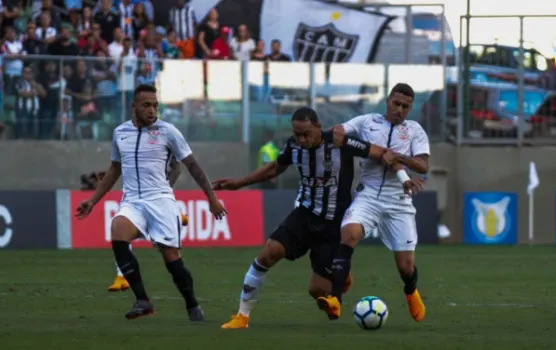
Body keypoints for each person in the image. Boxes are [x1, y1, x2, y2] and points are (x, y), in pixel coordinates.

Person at [214, 107, 423, 329]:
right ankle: (242, 316)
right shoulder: (293, 146)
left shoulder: (341, 143)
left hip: (334, 224)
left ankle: (341, 279)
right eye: (297, 134)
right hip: (304, 214)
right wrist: (239, 183)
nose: (302, 140)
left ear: (318, 127)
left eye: (306, 134)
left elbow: (382, 153)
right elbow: (276, 167)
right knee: (268, 253)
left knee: (316, 290)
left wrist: (403, 177)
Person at [75, 84, 227, 321]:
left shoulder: (168, 131)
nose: (152, 110)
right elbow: (114, 169)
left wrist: (212, 198)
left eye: (155, 105)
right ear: (133, 106)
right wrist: (92, 201)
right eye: (146, 105)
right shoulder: (120, 133)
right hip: (133, 200)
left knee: (172, 262)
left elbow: (192, 165)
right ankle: (143, 300)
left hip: (161, 200)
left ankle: (192, 305)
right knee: (117, 232)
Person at [317, 83, 430, 323]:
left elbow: (423, 165)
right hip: (367, 196)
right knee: (348, 234)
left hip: (399, 200)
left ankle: (410, 291)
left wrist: (397, 157)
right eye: (396, 103)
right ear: (387, 100)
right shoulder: (367, 121)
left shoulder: (415, 131)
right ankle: (335, 299)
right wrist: (335, 132)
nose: (399, 109)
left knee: (406, 267)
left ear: (410, 109)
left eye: (405, 106)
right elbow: (339, 131)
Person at [107, 159, 188, 292]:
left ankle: (178, 217)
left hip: (157, 198)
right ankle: (121, 276)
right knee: (121, 234)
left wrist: (165, 188)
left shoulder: (162, 143)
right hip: (135, 198)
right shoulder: (131, 146)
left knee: (167, 250)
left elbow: (177, 168)